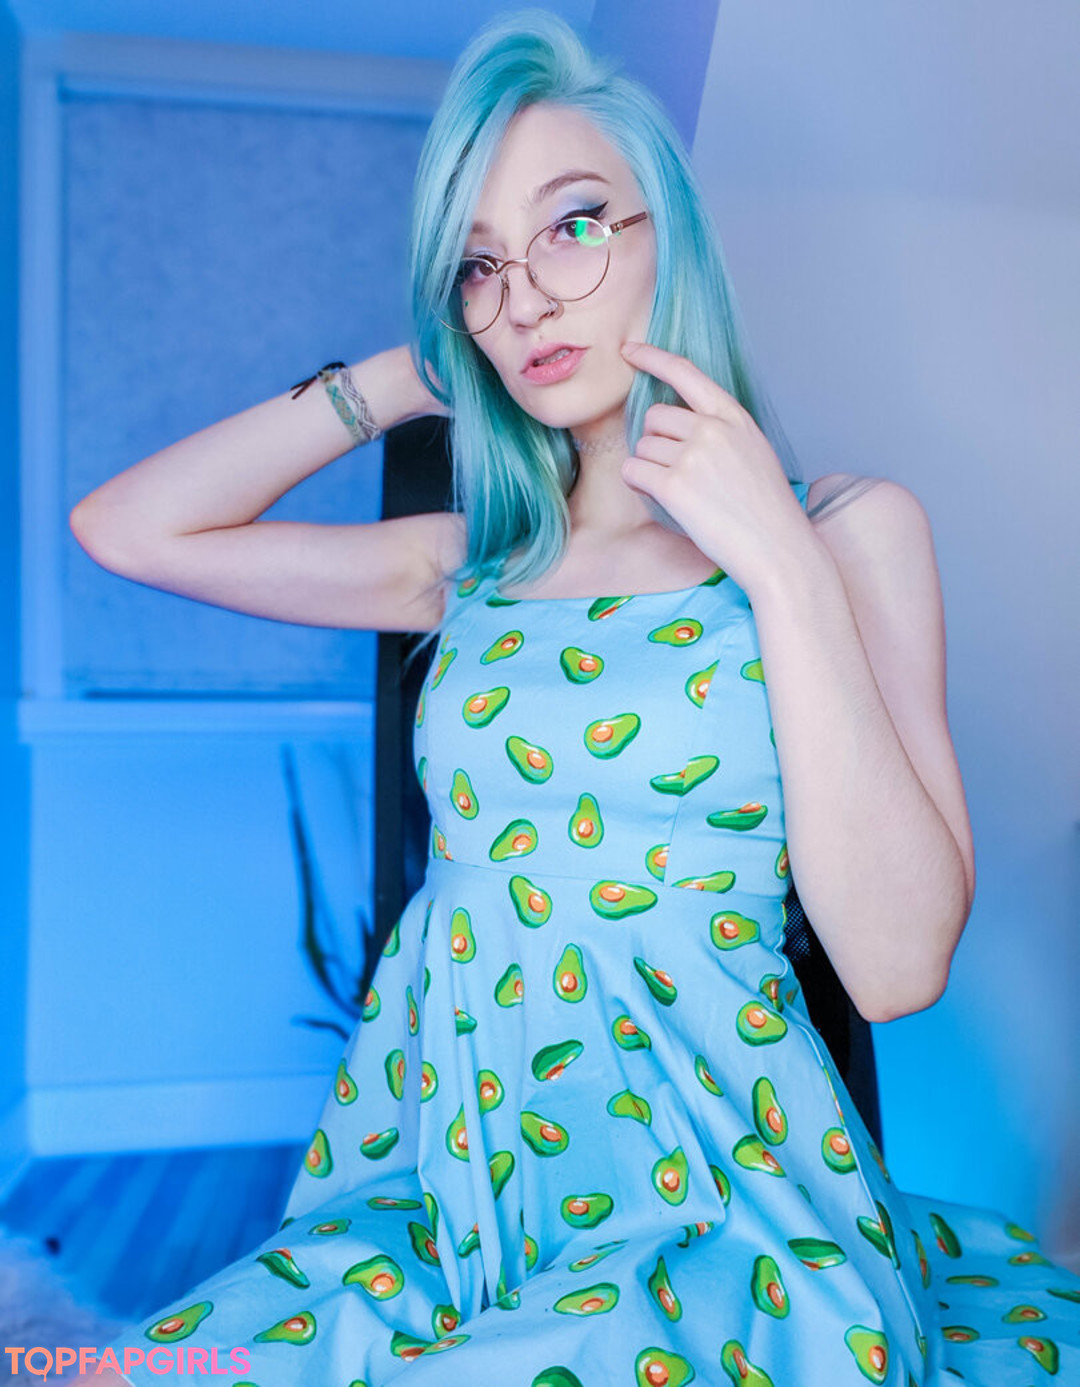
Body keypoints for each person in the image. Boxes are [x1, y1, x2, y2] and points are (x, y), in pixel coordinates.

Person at [67, 11, 1079, 1387]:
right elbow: (129, 529)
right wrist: (410, 369)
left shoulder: (846, 533)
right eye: (481, 263)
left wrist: (776, 560)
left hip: (722, 1211)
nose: (528, 298)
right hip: (444, 1197)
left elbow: (899, 971)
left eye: (574, 226)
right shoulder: (467, 568)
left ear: (675, 240)